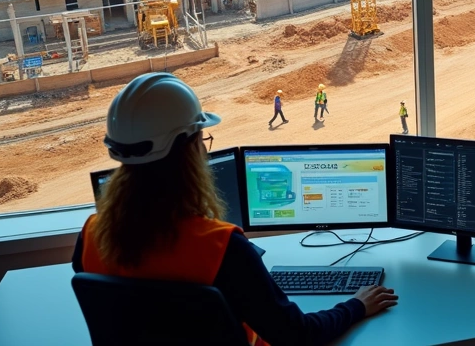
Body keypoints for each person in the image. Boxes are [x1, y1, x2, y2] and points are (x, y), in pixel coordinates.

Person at [74, 73, 397, 345]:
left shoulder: (91, 236)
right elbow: (296, 335)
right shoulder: (223, 247)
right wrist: (355, 305)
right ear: (192, 150)